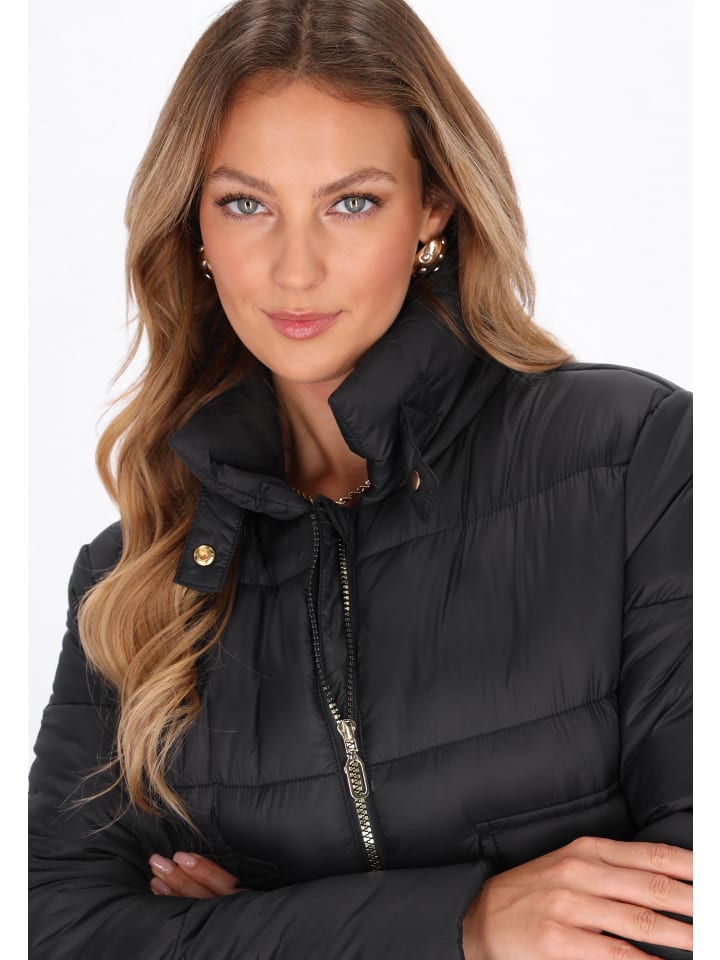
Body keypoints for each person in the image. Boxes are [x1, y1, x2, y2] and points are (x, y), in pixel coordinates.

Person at [28, 0, 692, 957]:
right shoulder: (133, 579)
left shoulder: (636, 461)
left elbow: (688, 905)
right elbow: (61, 930)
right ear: (194, 224)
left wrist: (239, 928)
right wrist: (467, 927)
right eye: (246, 203)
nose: (295, 270)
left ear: (434, 208)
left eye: (352, 203)